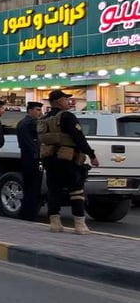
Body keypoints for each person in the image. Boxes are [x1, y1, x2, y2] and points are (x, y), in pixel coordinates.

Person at [38, 90, 99, 235]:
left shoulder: (45, 118)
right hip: (68, 158)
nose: (68, 101)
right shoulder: (66, 116)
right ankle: (80, 225)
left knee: (54, 190)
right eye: (66, 99)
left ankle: (55, 224)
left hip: (49, 158)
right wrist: (92, 155)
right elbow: (78, 137)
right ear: (59, 101)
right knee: (76, 190)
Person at [16, 101, 45, 221]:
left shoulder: (22, 122)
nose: (40, 112)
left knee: (28, 186)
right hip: (34, 157)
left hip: (26, 156)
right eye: (37, 110)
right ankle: (30, 214)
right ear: (30, 110)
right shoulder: (32, 123)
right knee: (34, 187)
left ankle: (25, 213)